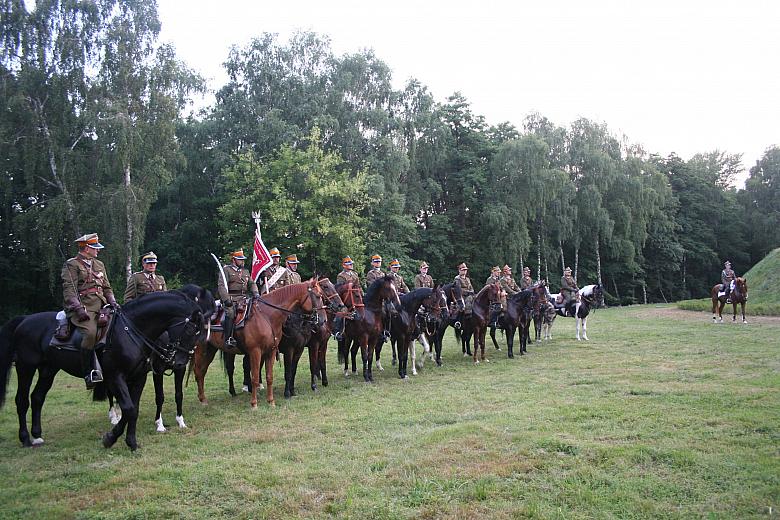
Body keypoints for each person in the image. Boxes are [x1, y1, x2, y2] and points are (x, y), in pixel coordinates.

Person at [61, 233, 118, 388]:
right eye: (95, 248)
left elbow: (106, 287)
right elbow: (69, 290)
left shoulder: (99, 264)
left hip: (103, 305)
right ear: (86, 248)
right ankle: (88, 372)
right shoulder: (72, 264)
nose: (98, 251)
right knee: (91, 333)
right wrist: (78, 308)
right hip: (83, 307)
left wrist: (112, 301)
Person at [217, 249, 260, 347]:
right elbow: (221, 286)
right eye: (240, 260)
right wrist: (226, 299)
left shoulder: (245, 271)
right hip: (231, 298)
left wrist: (256, 293)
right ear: (233, 260)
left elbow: (251, 283)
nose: (243, 261)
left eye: (243, 259)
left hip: (244, 298)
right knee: (231, 313)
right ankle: (228, 338)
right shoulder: (226, 270)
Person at [333, 256, 359, 340]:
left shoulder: (355, 274)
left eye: (351, 264)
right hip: (344, 298)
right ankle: (337, 332)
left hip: (354, 298)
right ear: (344, 265)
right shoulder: (341, 276)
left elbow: (358, 286)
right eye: (349, 264)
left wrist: (361, 295)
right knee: (341, 313)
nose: (351, 265)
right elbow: (340, 289)